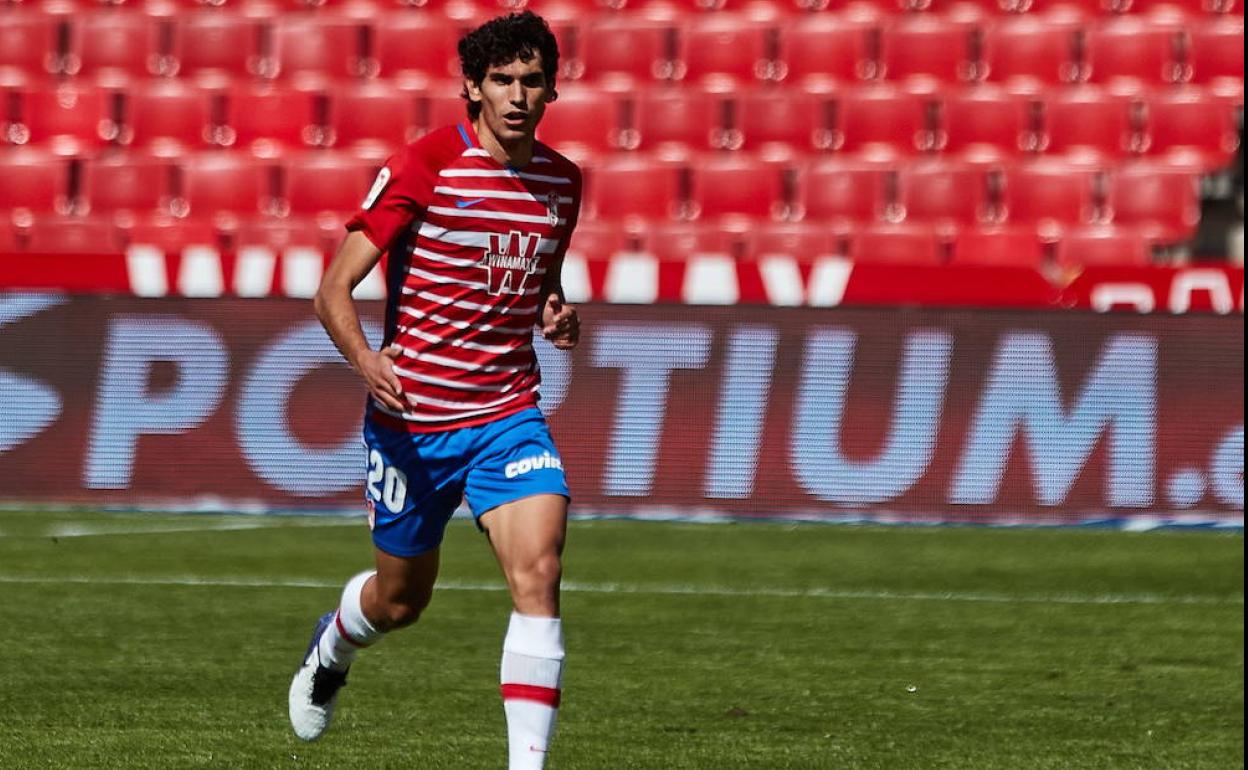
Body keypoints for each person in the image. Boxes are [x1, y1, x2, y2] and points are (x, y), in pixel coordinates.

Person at [288, 12, 582, 770]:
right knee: (400, 602)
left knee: (539, 572)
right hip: (414, 421)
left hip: (507, 414)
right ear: (472, 89)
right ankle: (333, 649)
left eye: (531, 81)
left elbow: (536, 275)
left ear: (552, 89)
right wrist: (365, 362)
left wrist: (554, 309)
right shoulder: (424, 164)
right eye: (502, 81)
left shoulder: (561, 182)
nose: (517, 95)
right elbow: (332, 291)